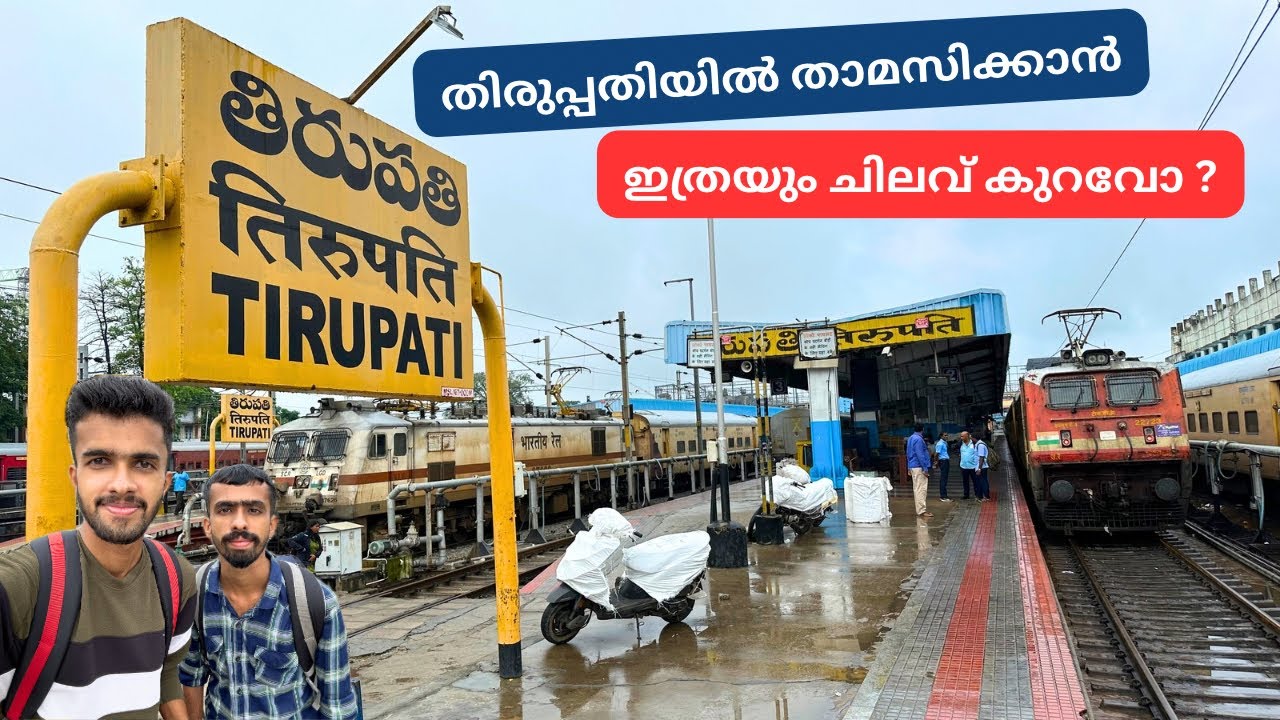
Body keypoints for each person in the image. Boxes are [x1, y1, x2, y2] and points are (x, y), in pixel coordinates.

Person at [0, 374, 196, 719]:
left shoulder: (176, 577)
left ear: (166, 481)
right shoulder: (17, 588)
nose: (122, 484)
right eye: (100, 461)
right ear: (76, 476)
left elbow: (166, 677)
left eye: (143, 463)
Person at [179, 464, 357, 719]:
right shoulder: (195, 595)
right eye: (225, 509)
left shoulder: (315, 602)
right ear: (207, 526)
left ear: (272, 525)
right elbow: (191, 675)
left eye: (253, 510)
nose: (239, 522)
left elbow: (338, 706)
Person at [906, 423, 932, 518]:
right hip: (919, 466)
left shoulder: (910, 438)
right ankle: (922, 511)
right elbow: (920, 455)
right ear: (922, 429)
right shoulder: (918, 439)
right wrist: (925, 468)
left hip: (913, 466)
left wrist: (909, 467)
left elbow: (908, 453)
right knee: (921, 489)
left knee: (917, 488)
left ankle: (920, 510)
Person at [958, 431, 977, 500]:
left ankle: (977, 494)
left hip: (973, 466)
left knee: (975, 482)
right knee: (965, 482)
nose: (961, 437)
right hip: (964, 466)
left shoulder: (974, 443)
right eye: (961, 436)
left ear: (967, 436)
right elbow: (957, 451)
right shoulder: (960, 443)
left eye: (962, 436)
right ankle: (966, 495)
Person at [974, 432, 992, 502]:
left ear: (974, 438)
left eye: (972, 438)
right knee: (981, 481)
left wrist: (979, 468)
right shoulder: (978, 444)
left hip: (982, 467)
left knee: (983, 482)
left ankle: (986, 496)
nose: (971, 439)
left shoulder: (980, 445)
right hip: (981, 466)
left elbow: (981, 457)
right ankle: (980, 496)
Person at [934, 433, 952, 502]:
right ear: (941, 436)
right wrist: (936, 461)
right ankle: (943, 496)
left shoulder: (944, 443)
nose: (946, 436)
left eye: (947, 435)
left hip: (945, 461)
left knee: (945, 478)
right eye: (945, 435)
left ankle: (944, 495)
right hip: (943, 461)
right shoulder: (940, 443)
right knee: (943, 478)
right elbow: (936, 453)